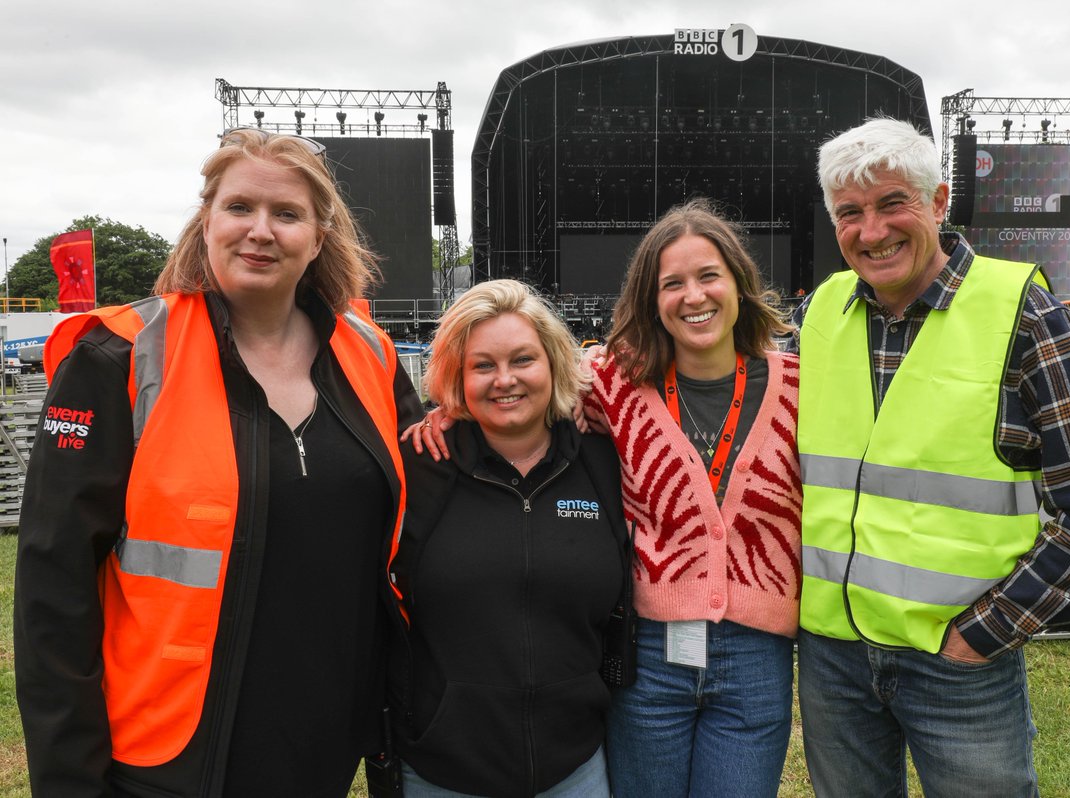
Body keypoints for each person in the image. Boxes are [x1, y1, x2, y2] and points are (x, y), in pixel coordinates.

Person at [13, 127, 423, 797]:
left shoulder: (370, 354)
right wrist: (69, 779)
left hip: (324, 746)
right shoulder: (121, 355)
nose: (260, 230)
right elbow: (52, 591)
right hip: (169, 752)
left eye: (286, 213)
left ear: (317, 238)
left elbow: (435, 484)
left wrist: (567, 413)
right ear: (207, 221)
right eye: (239, 207)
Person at [793, 117, 1070, 796]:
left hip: (959, 664)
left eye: (892, 203)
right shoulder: (820, 314)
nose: (872, 231)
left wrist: (984, 633)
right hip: (833, 657)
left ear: (938, 202)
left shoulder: (1020, 314)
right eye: (850, 213)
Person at [586, 199, 802, 797]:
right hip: (649, 653)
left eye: (709, 275)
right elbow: (517, 396)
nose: (694, 296)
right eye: (672, 283)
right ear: (651, 299)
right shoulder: (614, 387)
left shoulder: (799, 387)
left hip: (756, 656)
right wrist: (448, 414)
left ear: (738, 282)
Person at [388, 279, 628, 797]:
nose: (505, 380)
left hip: (575, 769)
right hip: (443, 772)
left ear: (553, 363)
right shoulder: (419, 466)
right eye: (482, 365)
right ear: (457, 376)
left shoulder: (603, 460)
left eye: (523, 359)